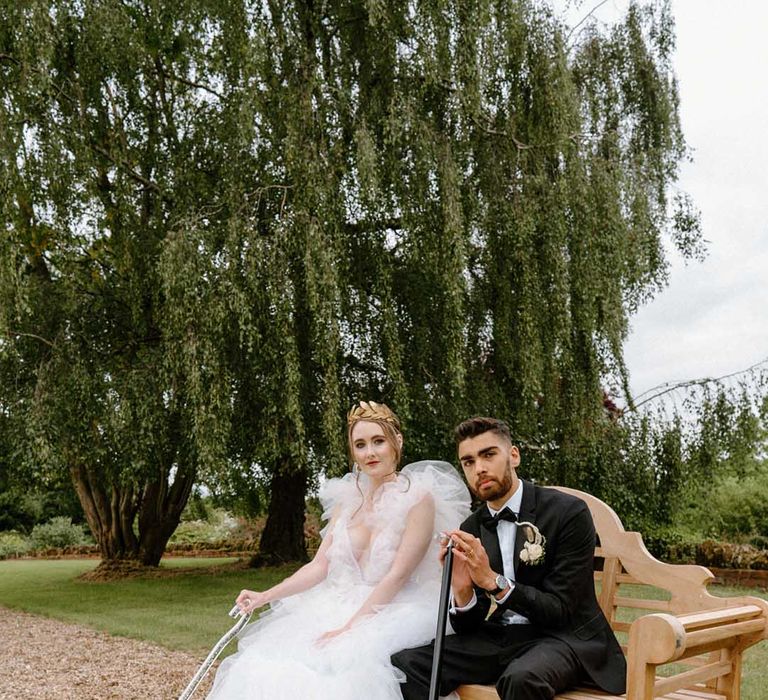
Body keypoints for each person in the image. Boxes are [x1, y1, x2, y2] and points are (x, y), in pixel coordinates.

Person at [206, 401, 471, 700]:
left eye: (378, 441)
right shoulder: (348, 500)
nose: (369, 452)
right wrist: (265, 596)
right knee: (262, 665)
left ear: (397, 441)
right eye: (360, 444)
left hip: (392, 609)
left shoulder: (419, 498)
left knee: (345, 674)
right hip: (334, 604)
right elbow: (320, 566)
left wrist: (349, 629)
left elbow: (396, 576)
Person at [392, 416, 627, 700]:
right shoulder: (472, 528)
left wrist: (494, 582)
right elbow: (469, 627)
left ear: (513, 455)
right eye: (468, 462)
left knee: (521, 679)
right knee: (409, 665)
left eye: (488, 455)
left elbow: (560, 609)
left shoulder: (568, 513)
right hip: (504, 638)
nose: (479, 468)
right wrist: (463, 589)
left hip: (564, 638)